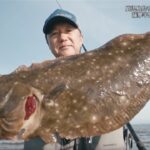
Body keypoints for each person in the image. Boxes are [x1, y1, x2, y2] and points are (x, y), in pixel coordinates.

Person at [41, 9, 126, 150]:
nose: (62, 37)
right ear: (48, 43)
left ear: (81, 38)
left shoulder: (107, 70)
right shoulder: (38, 82)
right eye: (55, 34)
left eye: (68, 30)